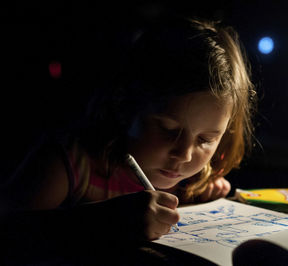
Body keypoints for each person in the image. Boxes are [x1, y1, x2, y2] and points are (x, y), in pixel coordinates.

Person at [0, 16, 257, 263]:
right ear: (124, 105)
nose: (185, 154)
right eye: (168, 130)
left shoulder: (190, 183)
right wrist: (102, 222)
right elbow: (9, 234)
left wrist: (204, 195)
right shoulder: (71, 163)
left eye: (205, 140)